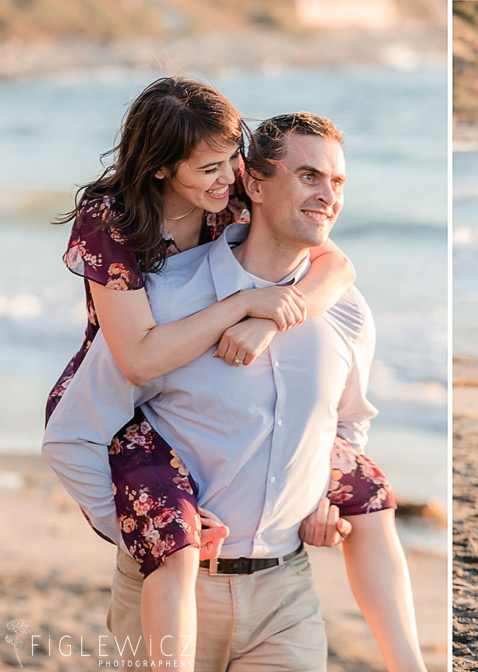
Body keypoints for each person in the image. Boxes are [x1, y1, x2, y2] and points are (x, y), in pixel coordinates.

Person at [45, 79, 425, 672]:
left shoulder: (238, 206)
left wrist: (269, 320)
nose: (226, 178)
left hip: (284, 592)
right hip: (135, 360)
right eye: (211, 168)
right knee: (169, 536)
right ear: (164, 170)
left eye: (232, 163)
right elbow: (135, 361)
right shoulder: (114, 222)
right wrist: (136, 534)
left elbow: (335, 264)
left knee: (367, 489)